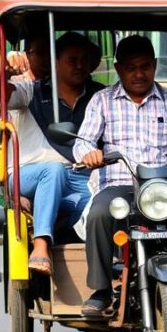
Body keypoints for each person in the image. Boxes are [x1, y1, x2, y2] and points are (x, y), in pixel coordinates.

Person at [73, 35, 167, 317]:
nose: (139, 74)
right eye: (131, 68)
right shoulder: (102, 101)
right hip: (121, 185)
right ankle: (101, 289)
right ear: (118, 69)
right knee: (99, 213)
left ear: (154, 65)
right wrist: (88, 153)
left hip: (165, 187)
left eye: (145, 66)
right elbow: (83, 141)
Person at [0, 35, 71, 276]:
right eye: (41, 53)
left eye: (51, 54)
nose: (46, 60)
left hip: (67, 177)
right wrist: (5, 67)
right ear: (27, 54)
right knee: (52, 170)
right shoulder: (26, 90)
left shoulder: (86, 95)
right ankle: (41, 244)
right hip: (26, 174)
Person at [28, 32, 105, 233]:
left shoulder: (101, 96)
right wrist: (5, 69)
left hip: (86, 174)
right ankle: (43, 238)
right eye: (72, 60)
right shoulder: (34, 93)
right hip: (45, 173)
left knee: (103, 204)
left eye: (84, 60)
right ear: (55, 62)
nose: (79, 66)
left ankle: (62, 229)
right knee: (53, 172)